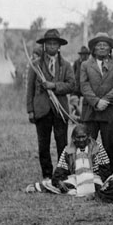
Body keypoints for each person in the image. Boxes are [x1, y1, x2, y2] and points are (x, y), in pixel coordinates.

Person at [26, 29, 76, 179]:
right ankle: (47, 175)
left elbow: (71, 85)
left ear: (59, 46)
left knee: (62, 143)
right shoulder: (35, 65)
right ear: (44, 46)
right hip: (42, 110)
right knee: (43, 145)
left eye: (55, 44)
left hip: (60, 110)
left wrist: (54, 86)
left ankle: (61, 174)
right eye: (49, 44)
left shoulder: (66, 65)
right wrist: (30, 110)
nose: (52, 46)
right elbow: (30, 89)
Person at [24, 124, 111, 197]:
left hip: (94, 178)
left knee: (102, 186)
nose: (81, 140)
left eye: (83, 137)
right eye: (78, 137)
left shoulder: (97, 147)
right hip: (74, 178)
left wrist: (89, 178)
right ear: (73, 138)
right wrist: (59, 182)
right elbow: (60, 171)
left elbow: (105, 169)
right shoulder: (68, 150)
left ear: (88, 136)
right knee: (57, 184)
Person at [80, 32, 113, 152]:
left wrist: (105, 100)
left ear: (110, 48)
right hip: (90, 111)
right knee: (87, 144)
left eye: (105, 44)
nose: (102, 47)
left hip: (109, 111)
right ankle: (87, 169)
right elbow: (84, 85)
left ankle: (110, 170)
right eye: (99, 44)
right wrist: (96, 101)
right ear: (93, 48)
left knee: (110, 144)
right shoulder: (85, 65)